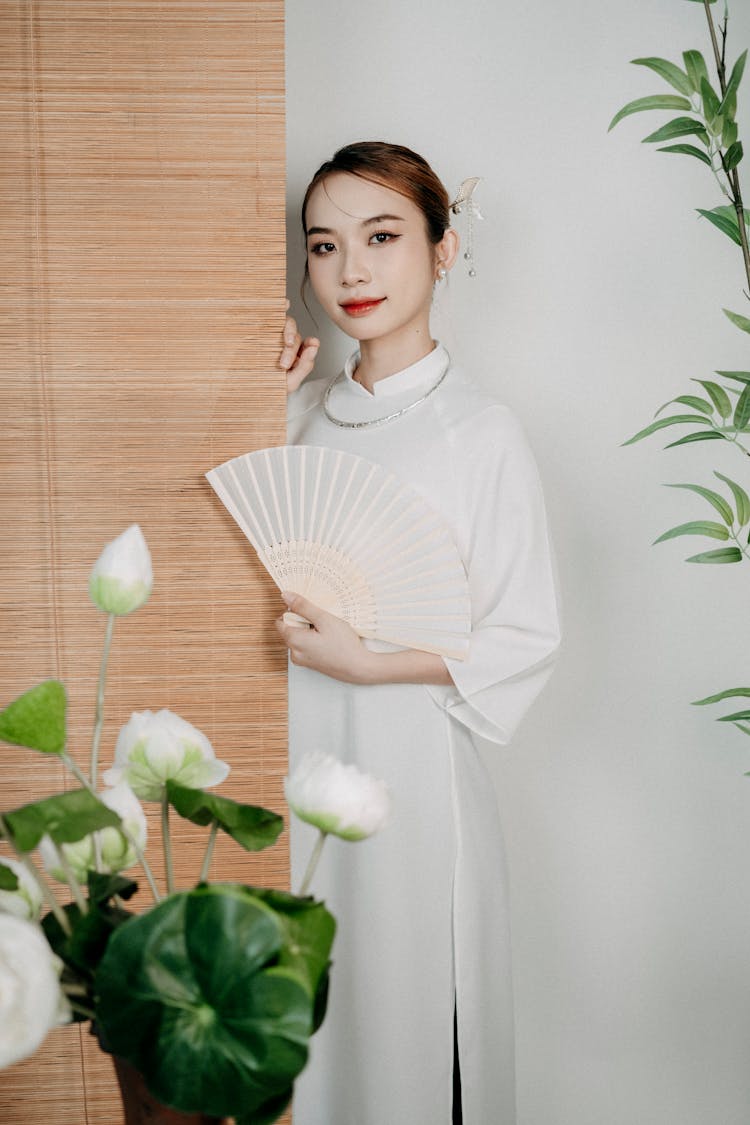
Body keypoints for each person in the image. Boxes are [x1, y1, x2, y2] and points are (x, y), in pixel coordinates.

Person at [277, 141, 560, 1125]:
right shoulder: (298, 414)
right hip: (290, 768)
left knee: (406, 1036)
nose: (350, 271)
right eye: (324, 245)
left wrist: (367, 659)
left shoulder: (479, 432)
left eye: (382, 236)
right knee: (302, 1039)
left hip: (413, 789)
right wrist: (244, 390)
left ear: (442, 251)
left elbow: (523, 632)